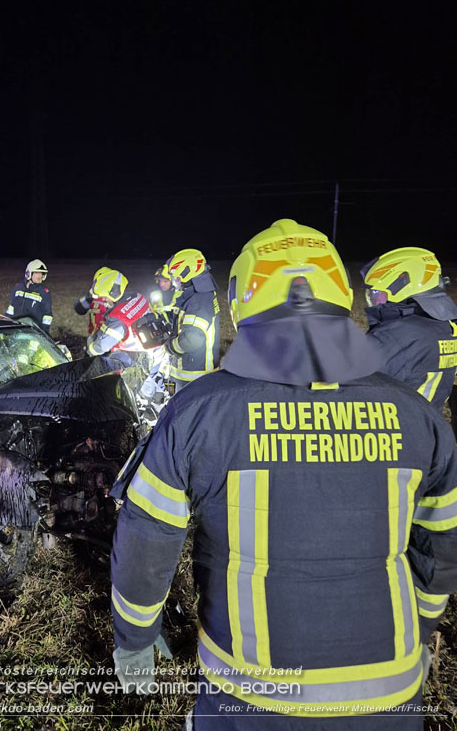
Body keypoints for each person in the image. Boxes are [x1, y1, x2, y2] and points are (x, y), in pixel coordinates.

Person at [111, 218, 457, 729]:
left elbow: (148, 536)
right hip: (391, 692)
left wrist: (135, 638)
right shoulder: (419, 416)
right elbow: (441, 543)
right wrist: (422, 625)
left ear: (242, 301)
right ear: (341, 296)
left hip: (252, 698)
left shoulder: (198, 412)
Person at [361, 247, 457, 412]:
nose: (375, 300)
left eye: (377, 293)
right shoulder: (448, 328)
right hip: (428, 422)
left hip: (395, 424)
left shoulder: (395, 336)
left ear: (401, 285)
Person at [161, 248, 220, 390]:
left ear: (186, 273)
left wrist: (170, 346)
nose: (175, 282)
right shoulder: (197, 295)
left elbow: (191, 340)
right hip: (192, 372)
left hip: (193, 376)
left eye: (176, 277)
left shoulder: (198, 301)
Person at [85, 267, 149, 358]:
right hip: (149, 350)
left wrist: (89, 351)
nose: (104, 300)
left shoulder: (118, 318)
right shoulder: (139, 297)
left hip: (132, 357)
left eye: (105, 297)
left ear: (114, 292)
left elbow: (102, 346)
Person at [5, 259, 53, 332]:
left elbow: (47, 316)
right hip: (16, 328)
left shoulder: (44, 293)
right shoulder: (18, 288)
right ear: (29, 273)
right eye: (37, 273)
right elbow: (11, 309)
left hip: (33, 331)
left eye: (42, 273)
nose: (40, 276)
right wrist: (6, 325)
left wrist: (43, 332)